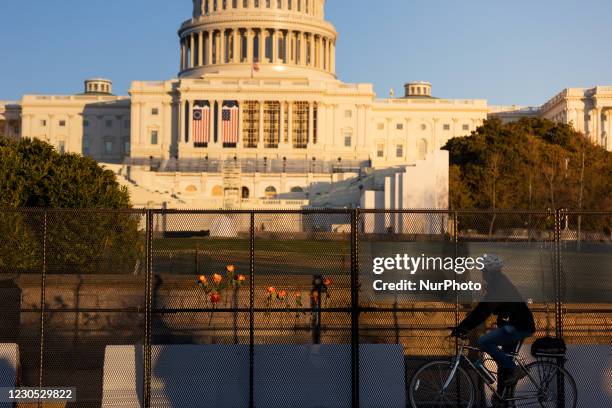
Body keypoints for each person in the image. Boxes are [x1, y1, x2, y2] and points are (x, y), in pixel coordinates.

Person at [451, 254, 535, 402]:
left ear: (490, 271)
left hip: (518, 326)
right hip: (515, 325)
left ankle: (516, 370)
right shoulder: (497, 283)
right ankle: (503, 398)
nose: (482, 273)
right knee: (503, 363)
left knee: (484, 341)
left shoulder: (499, 285)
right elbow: (483, 308)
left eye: (483, 270)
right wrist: (465, 324)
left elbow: (483, 311)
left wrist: (463, 327)